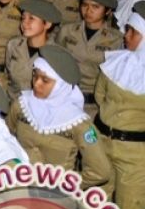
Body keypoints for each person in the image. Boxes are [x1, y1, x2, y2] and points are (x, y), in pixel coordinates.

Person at [7, 45, 112, 190]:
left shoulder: (78, 123)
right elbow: (5, 140)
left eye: (45, 80)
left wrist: (67, 187)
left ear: (61, 85)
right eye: (35, 75)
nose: (36, 83)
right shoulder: (21, 105)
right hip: (18, 189)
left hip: (54, 200)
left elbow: (101, 171)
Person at [94, 6, 145, 209]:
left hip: (135, 155)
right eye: (127, 29)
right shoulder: (116, 61)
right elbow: (99, 95)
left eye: (133, 32)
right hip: (103, 143)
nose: (126, 35)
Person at [5, 0, 61, 97]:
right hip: (13, 103)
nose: (24, 23)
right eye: (23, 18)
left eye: (31, 18)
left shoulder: (58, 54)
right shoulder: (14, 45)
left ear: (47, 24)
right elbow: (8, 75)